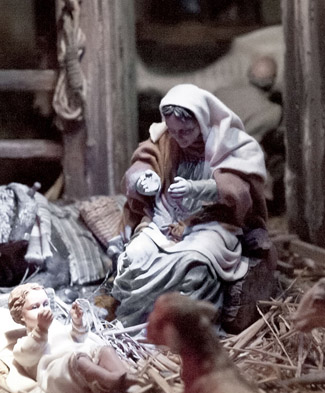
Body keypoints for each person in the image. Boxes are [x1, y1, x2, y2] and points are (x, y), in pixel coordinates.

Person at [110, 83, 272, 328]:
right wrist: (143, 179)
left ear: (201, 120)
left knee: (195, 262)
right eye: (174, 131)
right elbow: (143, 163)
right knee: (134, 256)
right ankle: (137, 322)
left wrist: (196, 189)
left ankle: (185, 327)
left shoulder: (227, 142)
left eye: (186, 131)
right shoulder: (165, 139)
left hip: (212, 221)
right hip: (165, 217)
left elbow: (237, 190)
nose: (179, 137)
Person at [9, 283, 135, 393]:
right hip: (60, 370)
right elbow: (28, 354)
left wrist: (77, 322)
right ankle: (110, 381)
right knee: (80, 361)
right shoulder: (24, 342)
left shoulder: (58, 327)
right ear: (21, 316)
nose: (43, 310)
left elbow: (78, 338)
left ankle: (126, 378)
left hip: (81, 354)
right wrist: (41, 329)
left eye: (46, 304)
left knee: (106, 350)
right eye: (35, 307)